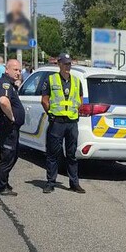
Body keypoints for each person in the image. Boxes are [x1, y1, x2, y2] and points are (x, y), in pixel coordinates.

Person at [41, 53, 85, 194]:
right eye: (65, 64)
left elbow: (80, 99)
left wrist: (73, 110)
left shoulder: (77, 81)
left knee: (72, 154)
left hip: (71, 122)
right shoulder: (51, 79)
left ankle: (74, 183)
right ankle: (50, 182)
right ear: (59, 64)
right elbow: (44, 100)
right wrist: (51, 114)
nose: (67, 66)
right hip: (57, 122)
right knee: (53, 154)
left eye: (69, 64)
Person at [0, 59, 25, 196]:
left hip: (11, 128)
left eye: (19, 70)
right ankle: (1, 186)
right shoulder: (5, 84)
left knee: (13, 155)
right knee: (7, 156)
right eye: (15, 70)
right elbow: (3, 101)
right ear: (7, 69)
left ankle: (4, 182)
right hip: (7, 127)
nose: (18, 72)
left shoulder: (10, 84)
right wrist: (12, 117)